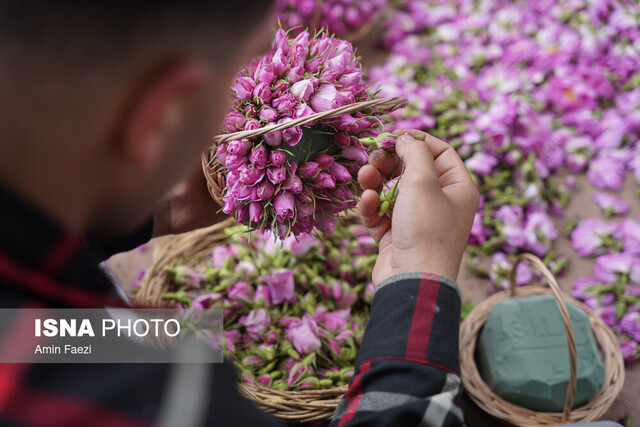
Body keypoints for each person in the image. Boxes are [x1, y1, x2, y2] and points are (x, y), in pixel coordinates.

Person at [0, 2, 479, 426]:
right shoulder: (160, 400)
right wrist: (421, 276)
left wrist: (159, 214)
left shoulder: (40, 336)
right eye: (237, 74)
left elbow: (61, 337)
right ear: (162, 115)